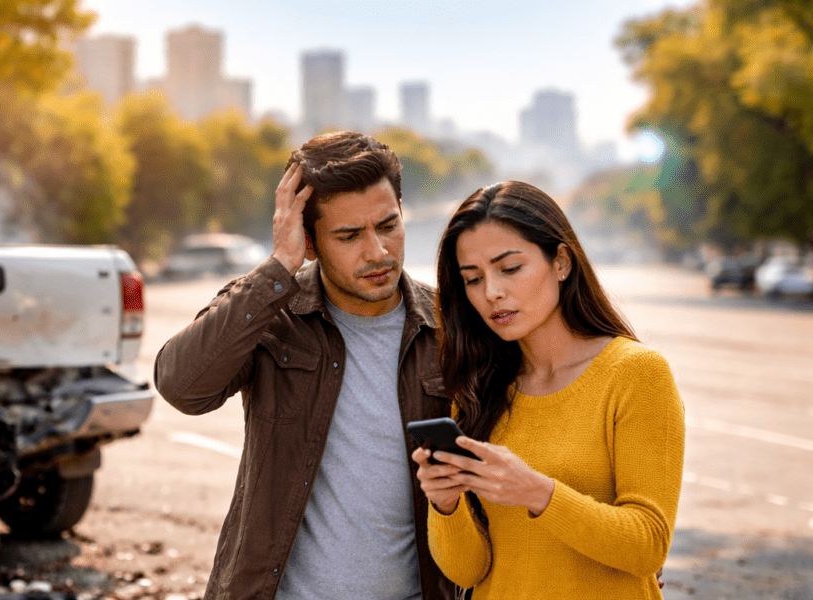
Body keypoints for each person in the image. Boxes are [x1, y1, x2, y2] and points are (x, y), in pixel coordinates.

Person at [155, 131, 456, 600]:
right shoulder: (272, 317)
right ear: (310, 242)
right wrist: (279, 267)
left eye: (388, 225)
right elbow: (182, 386)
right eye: (349, 236)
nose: (377, 252)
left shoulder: (451, 330)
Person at [412, 181, 685, 599]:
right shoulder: (481, 389)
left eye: (510, 268)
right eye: (472, 279)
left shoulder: (635, 374)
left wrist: (537, 493)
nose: (492, 293)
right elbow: (468, 572)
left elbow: (647, 545)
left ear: (561, 262)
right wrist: (445, 505)